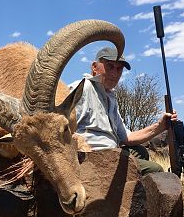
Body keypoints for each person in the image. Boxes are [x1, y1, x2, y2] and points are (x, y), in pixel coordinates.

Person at [70, 47, 178, 175]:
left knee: (140, 152)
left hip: (112, 152)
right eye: (110, 66)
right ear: (94, 67)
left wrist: (160, 126)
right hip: (93, 157)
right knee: (156, 170)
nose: (115, 74)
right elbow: (61, 125)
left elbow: (127, 137)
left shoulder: (110, 96)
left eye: (119, 69)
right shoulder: (82, 88)